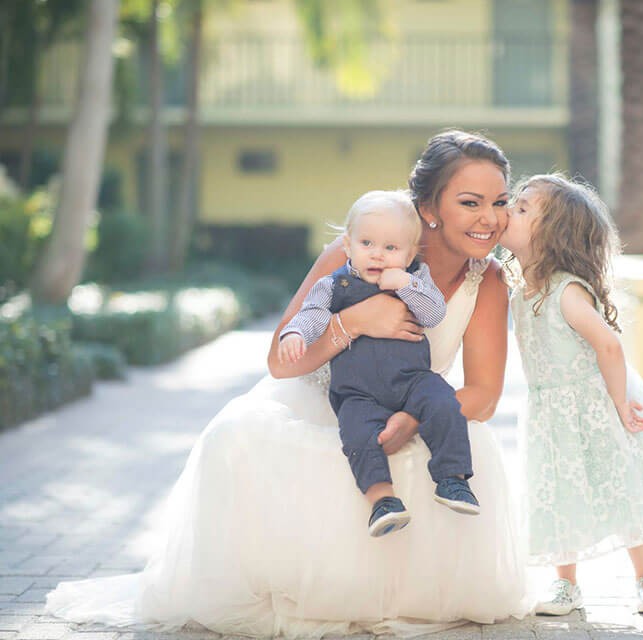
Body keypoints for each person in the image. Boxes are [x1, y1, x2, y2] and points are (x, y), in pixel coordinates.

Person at [45, 131, 532, 637]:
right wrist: (354, 322)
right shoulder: (359, 250)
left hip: (415, 404)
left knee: (464, 440)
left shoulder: (486, 279)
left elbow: (484, 395)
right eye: (470, 203)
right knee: (236, 433)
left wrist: (412, 421)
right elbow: (280, 360)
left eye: (500, 202)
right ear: (429, 208)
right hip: (332, 398)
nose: (490, 218)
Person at [500, 173, 643, 616]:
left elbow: (608, 345)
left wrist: (620, 403)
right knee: (557, 491)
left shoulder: (565, 290)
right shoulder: (520, 289)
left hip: (593, 404)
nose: (508, 211)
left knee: (622, 485)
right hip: (550, 411)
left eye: (522, 208)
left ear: (551, 234)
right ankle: (566, 584)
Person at [278, 189, 479, 537]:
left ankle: (453, 479)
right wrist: (295, 333)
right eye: (367, 243)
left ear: (410, 253)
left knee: (444, 402)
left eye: (391, 248)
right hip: (357, 391)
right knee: (357, 434)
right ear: (348, 245)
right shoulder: (334, 285)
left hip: (413, 381)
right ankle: (382, 500)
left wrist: (407, 284)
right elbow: (311, 314)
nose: (377, 254)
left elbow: (434, 314)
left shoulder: (416, 277)